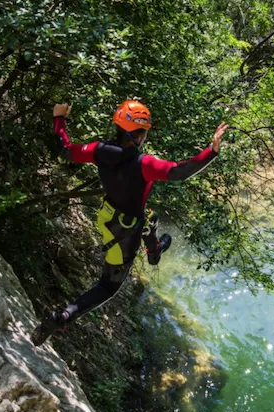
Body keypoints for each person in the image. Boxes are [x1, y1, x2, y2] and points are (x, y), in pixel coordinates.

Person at [31, 101, 229, 346]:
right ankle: (63, 317)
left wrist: (59, 118)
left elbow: (65, 149)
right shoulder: (144, 164)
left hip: (109, 219)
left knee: (149, 219)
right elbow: (179, 172)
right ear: (141, 134)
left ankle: (154, 250)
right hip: (127, 232)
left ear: (118, 127)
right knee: (107, 286)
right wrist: (212, 150)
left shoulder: (99, 150)